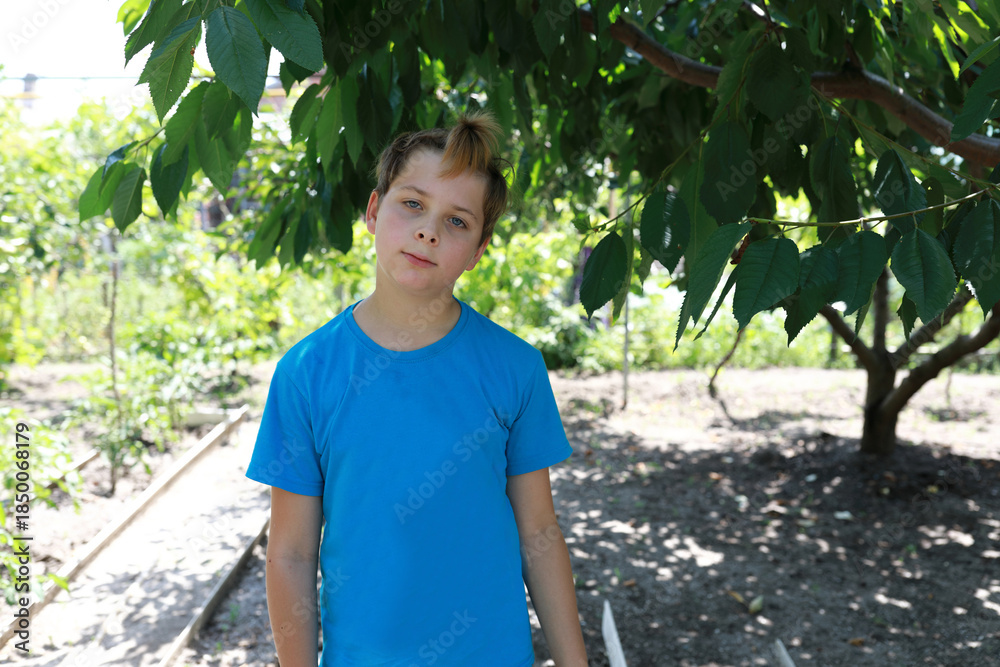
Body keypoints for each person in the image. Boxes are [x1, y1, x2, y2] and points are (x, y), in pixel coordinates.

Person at [245, 110, 589, 666]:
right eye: (412, 204)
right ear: (373, 211)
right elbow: (290, 553)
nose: (429, 231)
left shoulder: (515, 367)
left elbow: (539, 535)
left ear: (478, 251)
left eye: (457, 221)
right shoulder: (307, 373)